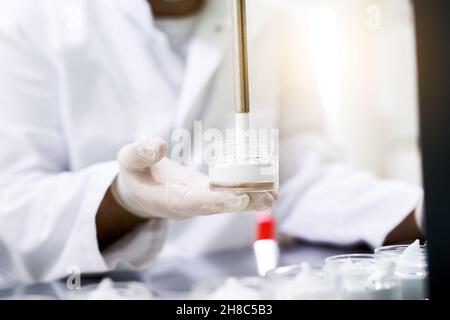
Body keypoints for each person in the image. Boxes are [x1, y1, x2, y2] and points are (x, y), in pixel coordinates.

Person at [0, 0, 423, 284]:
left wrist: (426, 211)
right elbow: (12, 205)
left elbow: (298, 176)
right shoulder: (32, 19)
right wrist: (122, 198)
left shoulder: (269, 16)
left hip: (230, 292)